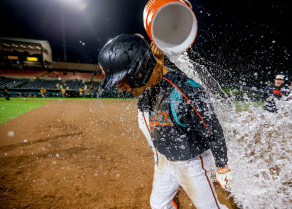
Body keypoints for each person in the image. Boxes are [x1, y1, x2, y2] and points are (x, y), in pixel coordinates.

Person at [98, 34, 231, 209]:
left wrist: (222, 166)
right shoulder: (148, 90)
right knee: (158, 204)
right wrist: (157, 61)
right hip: (167, 161)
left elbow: (212, 129)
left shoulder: (185, 93)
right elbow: (154, 75)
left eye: (122, 80)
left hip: (192, 163)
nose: (120, 87)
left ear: (139, 70)